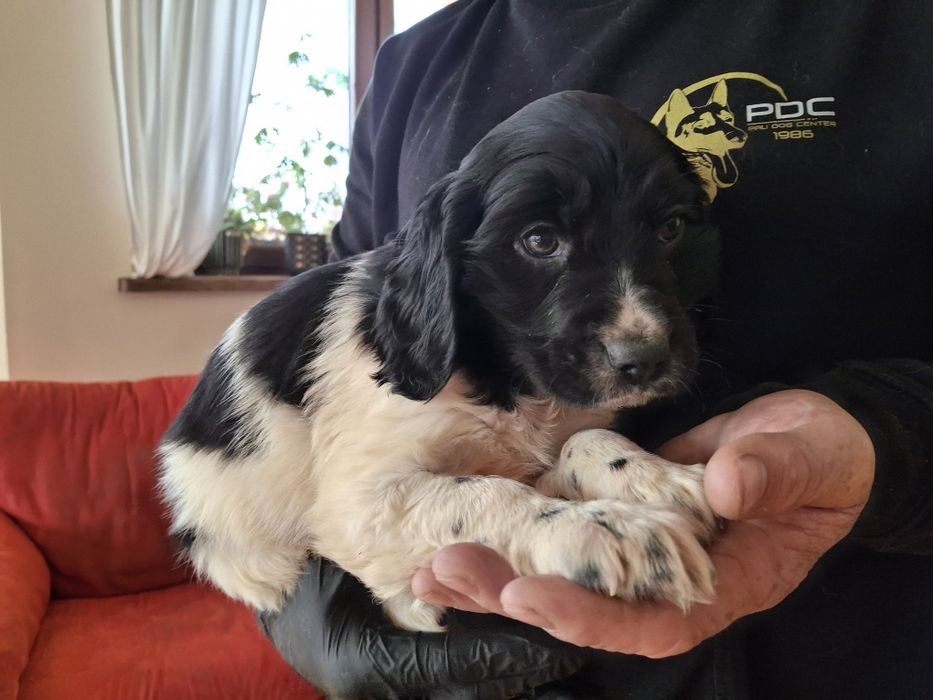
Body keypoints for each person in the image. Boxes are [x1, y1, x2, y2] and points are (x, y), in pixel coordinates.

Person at [258, 1, 933, 698]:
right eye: (540, 241)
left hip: (857, 658)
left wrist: (890, 442)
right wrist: (290, 575)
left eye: (669, 227)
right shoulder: (413, 66)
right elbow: (325, 365)